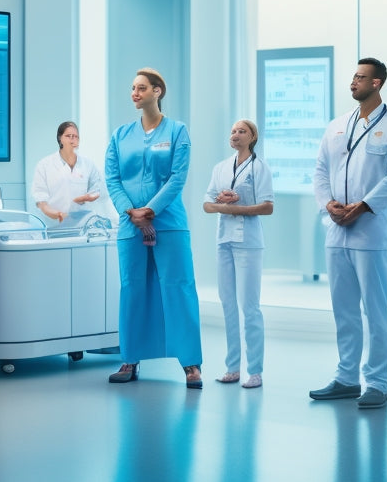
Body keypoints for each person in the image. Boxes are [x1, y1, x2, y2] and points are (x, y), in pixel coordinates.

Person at [310, 58, 387, 409]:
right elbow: (321, 170)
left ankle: (378, 383)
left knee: (376, 310)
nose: (353, 82)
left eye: (361, 77)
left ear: (377, 83)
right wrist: (329, 205)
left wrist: (364, 206)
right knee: (344, 310)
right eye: (353, 76)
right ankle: (346, 377)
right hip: (336, 231)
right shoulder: (337, 126)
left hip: (370, 233)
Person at [105, 68, 203, 388]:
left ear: (157, 92)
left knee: (178, 288)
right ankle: (129, 360)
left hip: (169, 223)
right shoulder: (120, 135)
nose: (135, 93)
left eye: (141, 88)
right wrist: (130, 211)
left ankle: (191, 364)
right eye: (133, 88)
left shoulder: (177, 131)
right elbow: (113, 178)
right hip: (130, 224)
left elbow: (178, 177)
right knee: (132, 289)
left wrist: (151, 210)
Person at [204, 120, 274, 389]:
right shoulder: (220, 168)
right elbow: (207, 204)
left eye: (241, 131)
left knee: (250, 307)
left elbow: (267, 207)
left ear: (252, 137)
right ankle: (232, 367)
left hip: (249, 242)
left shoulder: (259, 168)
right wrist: (222, 202)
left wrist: (235, 207)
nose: (235, 134)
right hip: (224, 240)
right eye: (232, 130)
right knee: (228, 304)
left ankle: (254, 370)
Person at [31, 121, 104, 225]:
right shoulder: (44, 165)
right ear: (60, 139)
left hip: (81, 224)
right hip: (53, 224)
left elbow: (97, 188)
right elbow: (40, 199)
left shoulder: (88, 164)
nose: (73, 140)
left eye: (76, 137)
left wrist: (88, 198)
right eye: (69, 136)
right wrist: (58, 214)